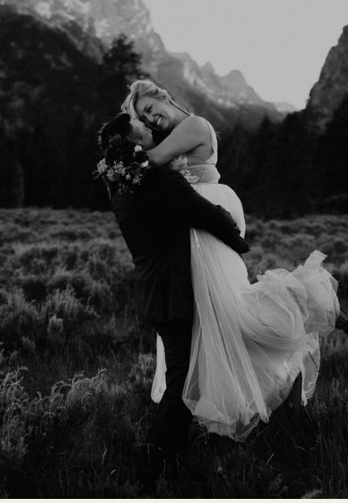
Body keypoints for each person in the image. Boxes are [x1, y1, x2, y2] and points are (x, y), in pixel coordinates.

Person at [121, 79, 348, 441]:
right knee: (223, 312)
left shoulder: (193, 126)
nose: (152, 119)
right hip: (197, 216)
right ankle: (303, 310)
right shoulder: (178, 130)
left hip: (206, 214)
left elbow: (150, 162)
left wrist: (118, 152)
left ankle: (309, 299)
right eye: (145, 119)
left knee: (230, 308)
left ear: (165, 96)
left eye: (151, 110)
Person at [96, 112, 250, 482]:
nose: (151, 129)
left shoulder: (121, 186)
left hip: (154, 290)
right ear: (134, 144)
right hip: (174, 292)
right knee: (181, 380)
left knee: (181, 373)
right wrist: (237, 240)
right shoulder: (157, 180)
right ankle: (154, 463)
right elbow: (207, 214)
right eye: (143, 128)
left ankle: (171, 453)